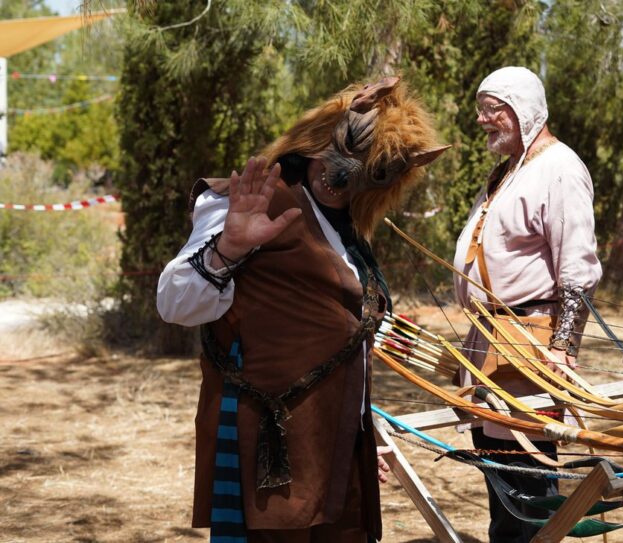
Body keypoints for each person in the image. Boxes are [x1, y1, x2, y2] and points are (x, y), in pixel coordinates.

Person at [157, 77, 447, 542]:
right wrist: (227, 248)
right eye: (335, 170)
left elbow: (350, 340)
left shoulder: (350, 235)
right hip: (270, 452)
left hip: (336, 447)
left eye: (361, 176)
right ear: (312, 148)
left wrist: (361, 431)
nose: (339, 186)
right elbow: (174, 303)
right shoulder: (255, 202)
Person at [452, 66, 602, 542]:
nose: (482, 120)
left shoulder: (560, 169)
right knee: (500, 480)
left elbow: (577, 268)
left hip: (529, 346)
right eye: (482, 109)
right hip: (491, 344)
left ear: (523, 110)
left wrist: (562, 349)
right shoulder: (509, 170)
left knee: (526, 489)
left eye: (492, 110)